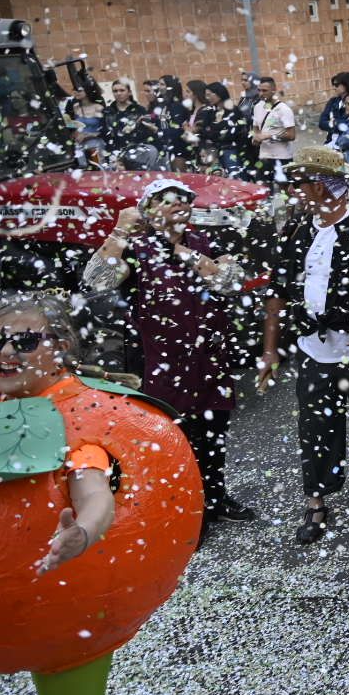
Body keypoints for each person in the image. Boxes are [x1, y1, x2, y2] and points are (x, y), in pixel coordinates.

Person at [0, 293, 256, 695]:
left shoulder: (79, 424)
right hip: (39, 617)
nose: (8, 352)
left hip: (65, 611)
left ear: (62, 348)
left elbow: (93, 489)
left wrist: (85, 532)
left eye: (25, 341)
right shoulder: (10, 408)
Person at [82, 179, 255, 526]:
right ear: (149, 210)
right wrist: (119, 231)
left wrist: (186, 255)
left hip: (209, 362)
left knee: (213, 438)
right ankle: (189, 512)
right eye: (167, 200)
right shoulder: (135, 247)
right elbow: (95, 281)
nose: (179, 205)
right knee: (176, 444)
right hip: (162, 367)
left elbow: (233, 281)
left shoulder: (203, 241)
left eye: (184, 200)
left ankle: (215, 498)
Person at [258, 146, 349, 545]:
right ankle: (317, 500)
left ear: (324, 185)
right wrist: (270, 351)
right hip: (314, 348)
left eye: (301, 183)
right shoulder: (297, 229)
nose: (296, 191)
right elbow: (276, 291)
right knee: (316, 426)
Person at [249, 76, 297, 183]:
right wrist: (255, 138)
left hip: (282, 157)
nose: (261, 94)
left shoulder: (283, 109)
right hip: (264, 157)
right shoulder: (257, 107)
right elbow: (256, 129)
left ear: (273, 90)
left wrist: (270, 136)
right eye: (259, 90)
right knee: (264, 192)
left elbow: (291, 135)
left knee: (286, 193)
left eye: (264, 91)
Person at [319, 73, 349, 143]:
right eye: (333, 85)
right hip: (330, 142)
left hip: (347, 144)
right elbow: (321, 123)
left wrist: (333, 123)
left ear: (346, 85)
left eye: (337, 85)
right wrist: (337, 124)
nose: (334, 88)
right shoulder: (333, 102)